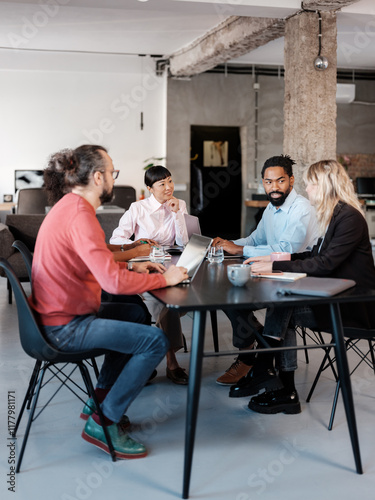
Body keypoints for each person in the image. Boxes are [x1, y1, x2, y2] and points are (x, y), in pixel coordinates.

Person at [30, 145, 188, 459]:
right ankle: (105, 420)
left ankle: (98, 398)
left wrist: (130, 264)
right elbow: (111, 282)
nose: (114, 179)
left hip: (56, 315)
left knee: (133, 313)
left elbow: (95, 258)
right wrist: (165, 279)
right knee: (155, 341)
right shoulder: (80, 215)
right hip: (66, 326)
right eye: (113, 173)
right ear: (99, 177)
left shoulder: (70, 207)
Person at [238, 159, 375, 415]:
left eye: (311, 184)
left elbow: (324, 264)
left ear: (324, 186)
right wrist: (273, 259)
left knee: (283, 305)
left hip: (354, 306)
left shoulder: (349, 218)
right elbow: (313, 254)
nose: (307, 190)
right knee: (283, 304)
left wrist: (276, 268)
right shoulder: (334, 214)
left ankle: (269, 373)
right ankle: (278, 383)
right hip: (334, 296)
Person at [212, 155, 318, 386]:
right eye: (268, 182)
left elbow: (286, 250)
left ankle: (250, 356)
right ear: (263, 182)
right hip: (271, 274)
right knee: (226, 293)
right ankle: (253, 342)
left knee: (237, 297)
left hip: (296, 279)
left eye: (280, 181)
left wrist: (239, 249)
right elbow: (254, 239)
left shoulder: (302, 209)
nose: (274, 187)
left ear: (291, 180)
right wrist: (227, 244)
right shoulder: (270, 208)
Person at [110, 166, 190, 385]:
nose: (168, 187)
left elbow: (185, 243)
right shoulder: (138, 208)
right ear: (149, 188)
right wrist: (137, 244)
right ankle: (171, 362)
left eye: (170, 181)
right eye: (162, 184)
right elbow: (116, 239)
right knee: (161, 303)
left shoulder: (179, 204)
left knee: (169, 299)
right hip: (143, 263)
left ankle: (146, 363)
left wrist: (177, 214)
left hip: (171, 262)